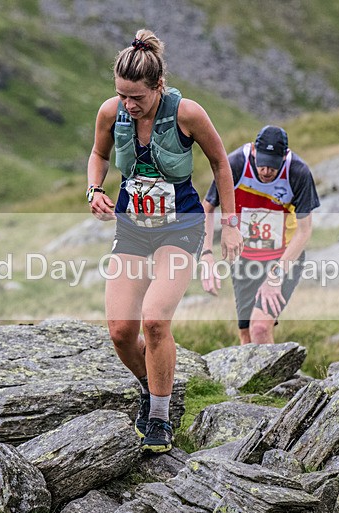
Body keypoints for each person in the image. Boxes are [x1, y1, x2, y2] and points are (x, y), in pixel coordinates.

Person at [87, 29, 243, 453]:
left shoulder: (187, 113)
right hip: (132, 228)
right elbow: (99, 155)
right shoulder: (111, 112)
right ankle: (150, 384)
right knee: (121, 331)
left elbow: (221, 164)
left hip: (180, 227)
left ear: (158, 85)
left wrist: (230, 223)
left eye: (136, 97)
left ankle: (160, 415)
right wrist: (94, 190)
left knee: (155, 320)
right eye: (121, 95)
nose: (128, 105)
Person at [201, 125, 319, 345]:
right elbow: (207, 207)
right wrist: (207, 255)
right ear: (254, 151)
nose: (266, 171)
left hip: (284, 257)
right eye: (262, 163)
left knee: (260, 327)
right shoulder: (235, 164)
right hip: (244, 258)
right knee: (246, 335)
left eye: (272, 166)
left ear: (284, 156)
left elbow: (305, 231)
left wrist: (276, 276)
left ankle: (275, 369)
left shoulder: (298, 173)